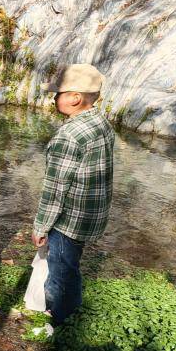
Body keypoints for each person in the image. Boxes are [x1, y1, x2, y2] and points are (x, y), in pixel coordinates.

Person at [32, 64, 114, 325]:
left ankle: (59, 315)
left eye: (58, 93)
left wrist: (41, 226)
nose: (54, 97)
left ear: (75, 98)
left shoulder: (68, 135)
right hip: (92, 213)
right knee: (71, 262)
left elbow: (55, 189)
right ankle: (70, 304)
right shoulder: (101, 123)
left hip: (70, 218)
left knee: (61, 267)